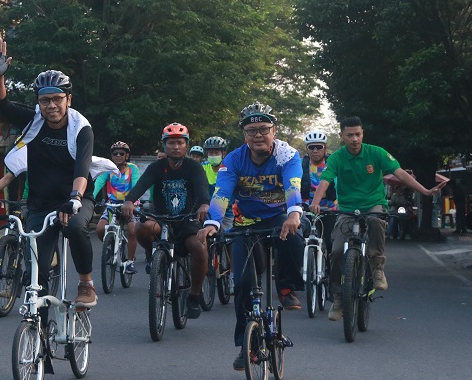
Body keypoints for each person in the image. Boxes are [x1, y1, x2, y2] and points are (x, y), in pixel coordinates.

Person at [0, 39, 98, 307]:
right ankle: (41, 335)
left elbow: (82, 167)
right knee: (36, 274)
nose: (51, 106)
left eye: (57, 99)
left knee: (74, 226)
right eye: (45, 100)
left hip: (76, 198)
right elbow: (1, 104)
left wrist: (74, 198)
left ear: (68, 99)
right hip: (40, 203)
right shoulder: (33, 120)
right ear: (38, 102)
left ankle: (86, 283)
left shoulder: (81, 127)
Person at [197, 102, 305, 371]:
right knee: (243, 284)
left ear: (274, 131)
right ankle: (247, 347)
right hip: (245, 222)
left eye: (264, 129)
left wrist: (294, 213)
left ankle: (286, 287)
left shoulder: (287, 155)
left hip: (278, 216)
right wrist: (213, 222)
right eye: (251, 130)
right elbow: (222, 192)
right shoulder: (233, 160)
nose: (258, 135)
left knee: (296, 239)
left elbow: (293, 184)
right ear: (244, 135)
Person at [310, 116, 445, 321]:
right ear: (342, 136)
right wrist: (316, 202)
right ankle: (338, 297)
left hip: (373, 204)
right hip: (347, 209)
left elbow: (400, 173)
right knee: (337, 250)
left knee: (375, 221)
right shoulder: (336, 158)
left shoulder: (377, 153)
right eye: (349, 135)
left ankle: (377, 265)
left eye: (358, 134)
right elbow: (325, 181)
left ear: (362, 133)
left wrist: (425, 191)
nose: (354, 139)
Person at [122, 122, 210, 319]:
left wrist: (204, 204)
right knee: (142, 227)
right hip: (162, 220)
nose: (175, 147)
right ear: (164, 146)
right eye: (171, 143)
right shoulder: (156, 167)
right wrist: (129, 200)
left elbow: (203, 189)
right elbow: (141, 185)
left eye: (179, 142)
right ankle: (154, 255)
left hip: (188, 220)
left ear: (186, 145)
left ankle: (194, 296)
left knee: (200, 248)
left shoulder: (194, 167)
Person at [93, 141, 141, 274]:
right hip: (112, 205)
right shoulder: (107, 169)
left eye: (122, 153)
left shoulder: (133, 169)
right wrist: (90, 199)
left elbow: (137, 186)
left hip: (130, 205)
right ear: (111, 156)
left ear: (127, 155)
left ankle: (130, 262)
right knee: (100, 229)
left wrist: (132, 200)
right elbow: (98, 184)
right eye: (115, 153)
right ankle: (109, 247)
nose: (118, 155)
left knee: (132, 230)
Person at [301, 130, 337, 252]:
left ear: (325, 147)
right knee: (307, 240)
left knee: (331, 242)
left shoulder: (333, 163)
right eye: (311, 147)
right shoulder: (301, 164)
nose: (315, 150)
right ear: (307, 148)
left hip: (330, 208)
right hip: (308, 208)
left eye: (319, 147)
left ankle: (330, 268)